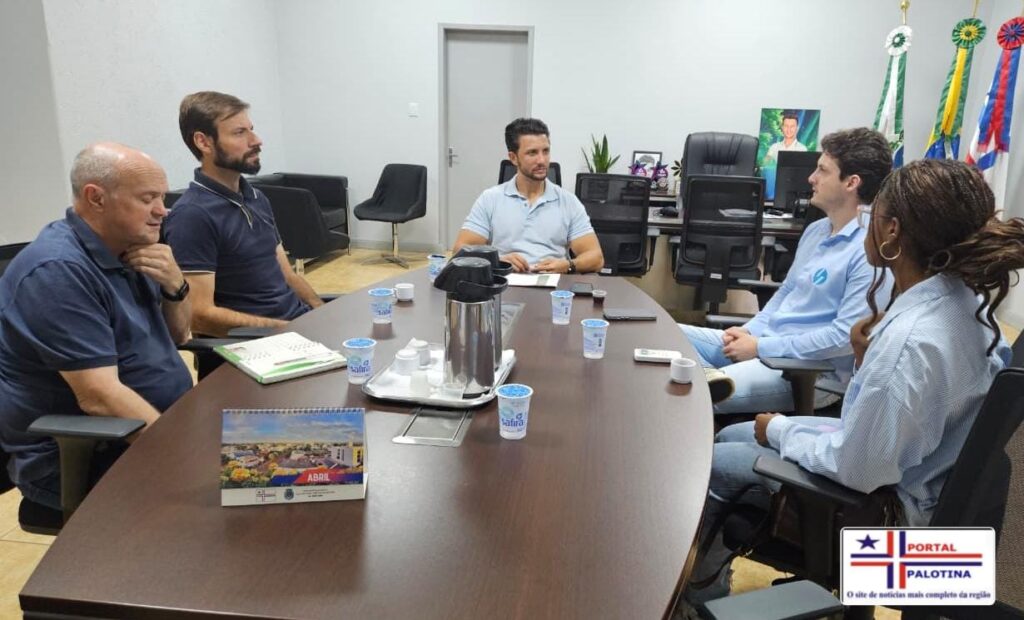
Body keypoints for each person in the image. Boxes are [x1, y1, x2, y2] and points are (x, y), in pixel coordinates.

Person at [682, 158, 1024, 609]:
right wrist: (863, 363)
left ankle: (693, 600)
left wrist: (780, 430)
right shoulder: (968, 305)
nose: (865, 225)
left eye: (872, 215)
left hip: (900, 545)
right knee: (733, 435)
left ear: (892, 231)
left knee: (713, 463)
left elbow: (859, 470)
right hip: (936, 503)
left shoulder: (909, 341)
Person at [0, 143, 194, 516]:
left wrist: (176, 286)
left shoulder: (131, 247)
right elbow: (99, 397)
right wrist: (182, 454)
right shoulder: (57, 271)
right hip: (88, 455)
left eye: (162, 197)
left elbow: (179, 336)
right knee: (229, 507)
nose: (163, 210)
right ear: (96, 198)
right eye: (148, 198)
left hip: (154, 428)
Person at [680, 128, 893, 414]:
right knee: (664, 335)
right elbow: (786, 293)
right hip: (764, 345)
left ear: (851, 182)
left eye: (822, 170)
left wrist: (760, 347)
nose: (811, 178)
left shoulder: (869, 250)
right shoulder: (817, 230)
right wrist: (750, 330)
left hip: (804, 372)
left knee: (689, 391)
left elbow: (843, 338)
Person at [163, 91, 323, 337]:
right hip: (257, 344)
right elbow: (198, 316)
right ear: (204, 142)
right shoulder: (192, 216)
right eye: (239, 133)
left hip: (295, 327)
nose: (256, 140)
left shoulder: (257, 198)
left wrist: (322, 314)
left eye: (252, 130)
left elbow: (287, 275)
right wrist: (287, 330)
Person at [452, 117, 604, 274]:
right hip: (506, 280)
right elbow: (460, 251)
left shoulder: (568, 202)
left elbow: (596, 257)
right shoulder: (490, 199)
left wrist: (568, 265)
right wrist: (497, 261)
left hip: (552, 283)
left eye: (546, 151)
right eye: (532, 153)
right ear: (513, 158)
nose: (542, 160)